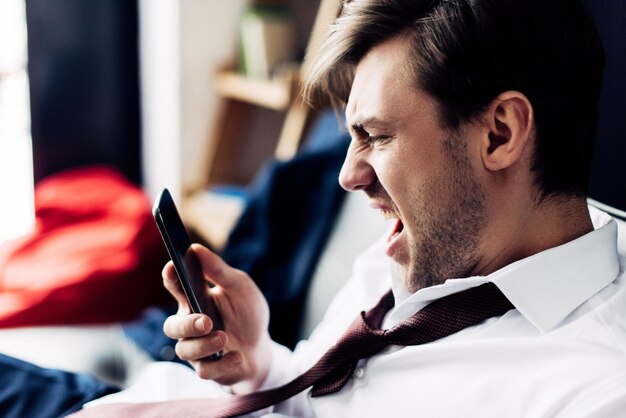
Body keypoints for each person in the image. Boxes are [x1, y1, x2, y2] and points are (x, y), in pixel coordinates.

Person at [2, 0, 625, 416]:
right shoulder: (421, 250)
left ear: (499, 133)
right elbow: (317, 398)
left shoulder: (591, 392)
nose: (348, 176)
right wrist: (260, 357)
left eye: (376, 137)